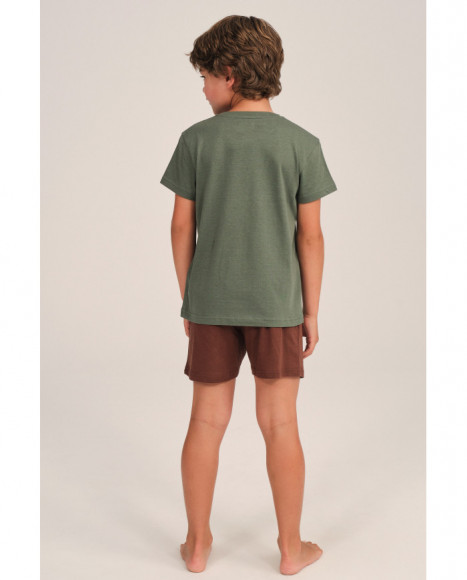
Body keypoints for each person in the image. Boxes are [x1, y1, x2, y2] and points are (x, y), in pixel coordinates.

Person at [160, 15, 338, 575]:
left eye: (206, 78)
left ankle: (197, 545)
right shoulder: (301, 143)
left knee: (205, 422)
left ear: (230, 74)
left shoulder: (196, 140)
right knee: (280, 423)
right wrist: (310, 310)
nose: (203, 90)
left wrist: (191, 297)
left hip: (211, 303)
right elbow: (310, 236)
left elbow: (180, 227)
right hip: (276, 305)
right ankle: (290, 549)